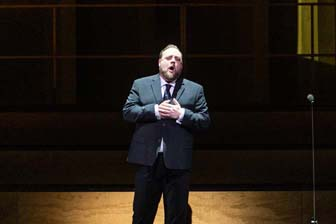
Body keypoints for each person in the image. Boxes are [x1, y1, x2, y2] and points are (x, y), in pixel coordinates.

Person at [122, 44, 210, 224]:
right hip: (147, 161)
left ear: (182, 66)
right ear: (159, 62)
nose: (173, 62)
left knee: (177, 218)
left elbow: (204, 120)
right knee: (141, 216)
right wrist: (154, 110)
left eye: (178, 60)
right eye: (169, 58)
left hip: (177, 163)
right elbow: (128, 112)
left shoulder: (195, 89)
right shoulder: (141, 84)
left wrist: (182, 114)